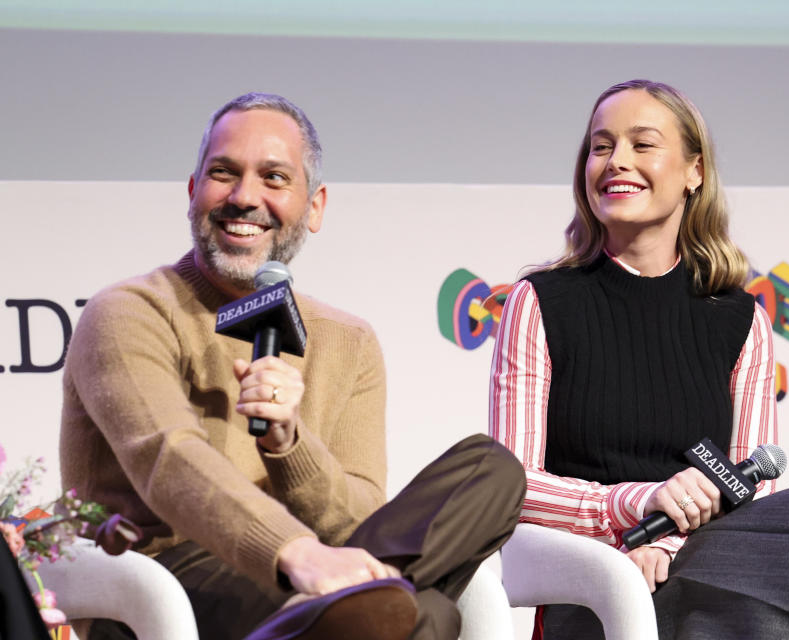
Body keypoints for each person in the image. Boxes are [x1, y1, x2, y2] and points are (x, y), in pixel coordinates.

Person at [60, 92, 525, 640]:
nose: (244, 196)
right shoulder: (130, 312)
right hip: (167, 584)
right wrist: (294, 551)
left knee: (491, 469)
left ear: (315, 206)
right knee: (429, 615)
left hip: (312, 573)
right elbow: (170, 458)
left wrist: (289, 444)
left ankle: (323, 615)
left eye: (274, 178)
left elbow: (360, 521)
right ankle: (324, 615)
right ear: (192, 193)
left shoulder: (348, 341)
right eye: (223, 173)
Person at [489, 79, 789, 640]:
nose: (617, 161)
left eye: (642, 144)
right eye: (601, 146)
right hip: (599, 579)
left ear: (694, 171)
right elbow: (512, 485)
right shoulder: (540, 301)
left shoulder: (740, 318)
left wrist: (671, 539)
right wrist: (637, 509)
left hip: (710, 557)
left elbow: (754, 496)